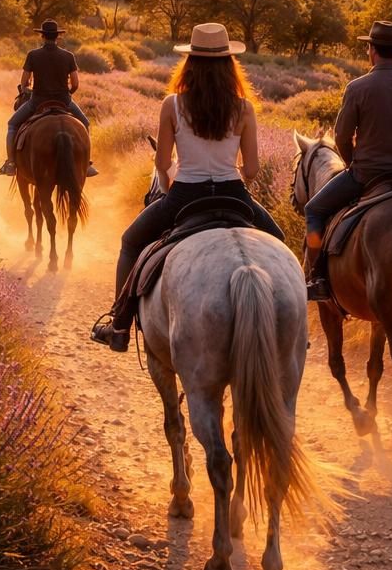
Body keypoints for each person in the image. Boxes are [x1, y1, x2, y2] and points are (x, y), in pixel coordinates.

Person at [91, 21, 284, 352]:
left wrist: (168, 189)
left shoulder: (173, 105)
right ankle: (287, 327)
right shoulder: (244, 108)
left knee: (130, 242)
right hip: (234, 195)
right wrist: (234, 179)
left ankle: (119, 326)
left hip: (185, 196)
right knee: (278, 245)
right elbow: (251, 169)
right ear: (229, 64)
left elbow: (162, 162)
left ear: (189, 63)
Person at [303, 19, 392, 302]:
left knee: (314, 210)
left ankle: (317, 277)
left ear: (371, 50)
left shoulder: (357, 87)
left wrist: (352, 163)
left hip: (366, 174)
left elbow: (342, 137)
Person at [0, 19, 98, 177]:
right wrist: (68, 94)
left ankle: (11, 162)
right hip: (64, 100)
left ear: (42, 36)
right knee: (85, 123)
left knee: (12, 125)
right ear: (57, 37)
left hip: (37, 101)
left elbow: (24, 82)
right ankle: (86, 163)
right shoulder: (68, 56)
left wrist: (27, 89)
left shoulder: (33, 55)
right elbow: (76, 83)